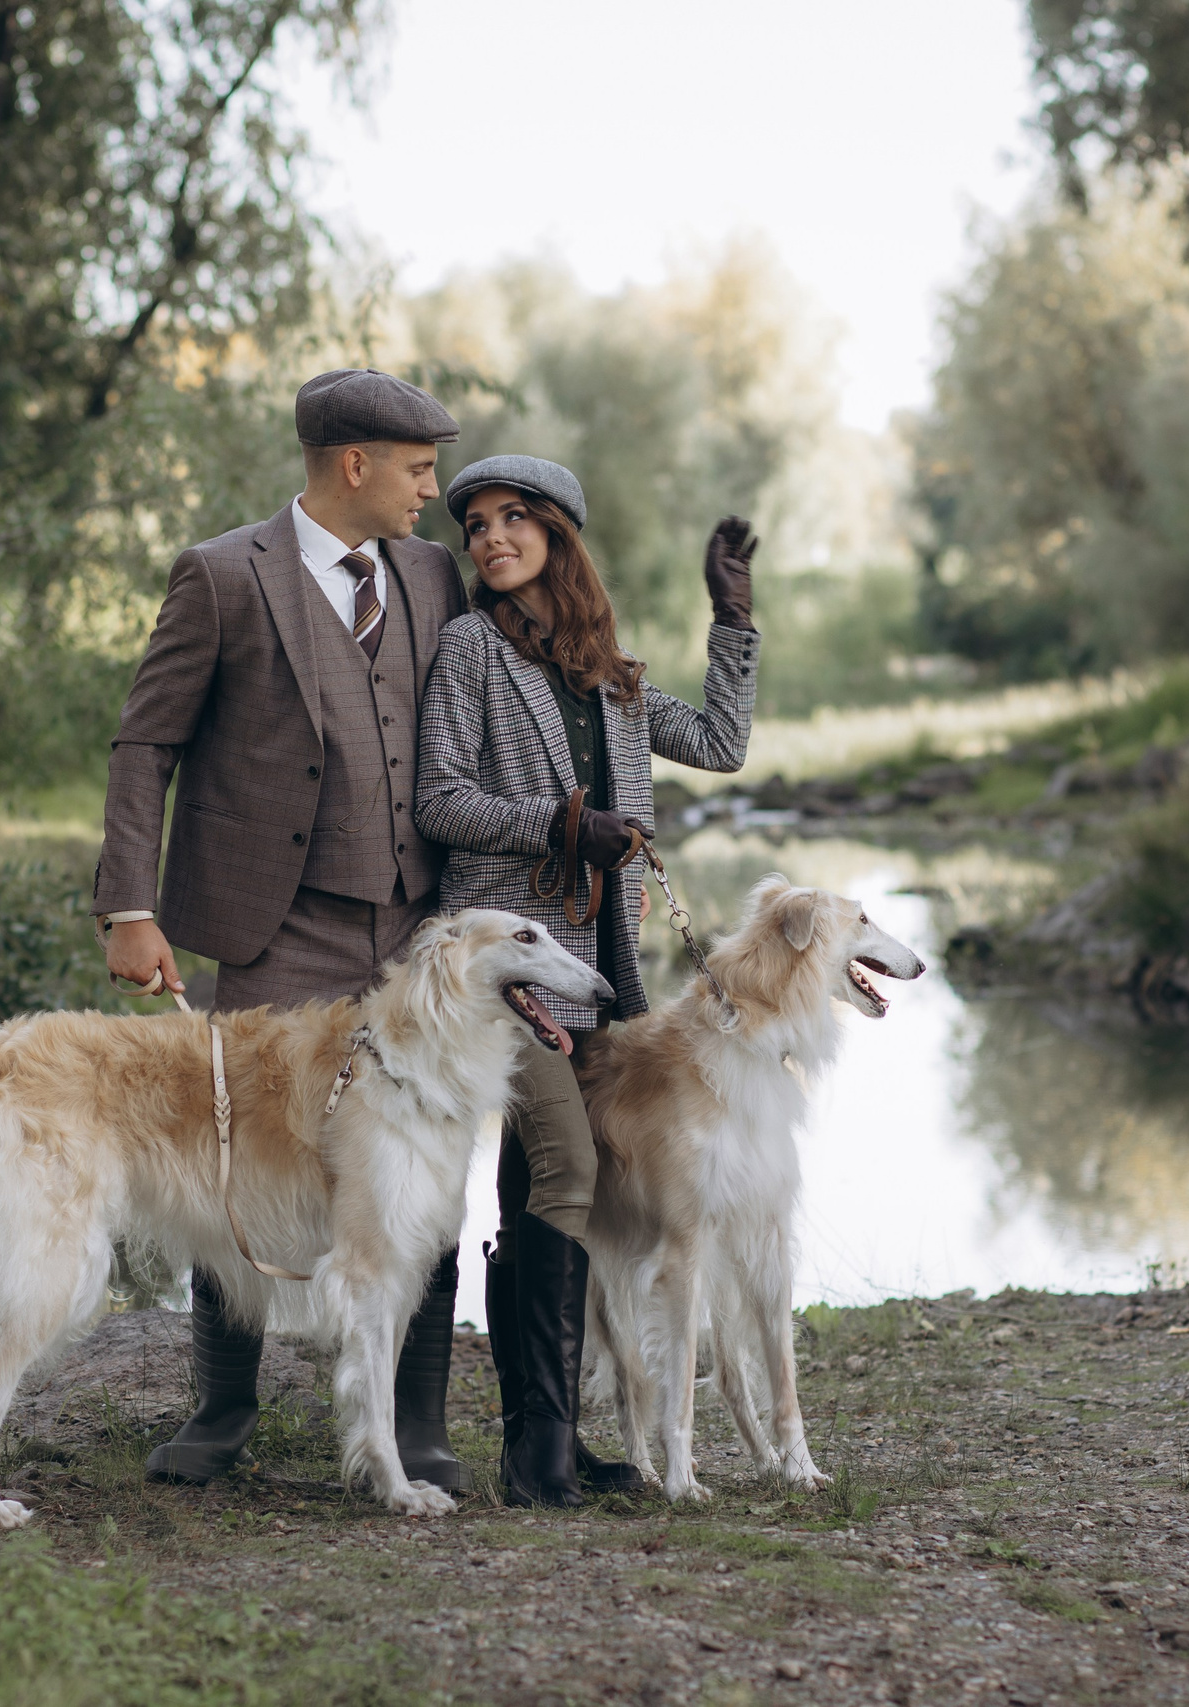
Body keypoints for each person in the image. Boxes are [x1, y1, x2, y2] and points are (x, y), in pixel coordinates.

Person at [92, 368, 476, 1491]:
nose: (431, 489)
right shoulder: (222, 576)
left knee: (427, 1162)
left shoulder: (432, 573)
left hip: (413, 930)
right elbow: (146, 744)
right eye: (418, 468)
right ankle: (221, 1409)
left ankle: (417, 1422)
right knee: (241, 1159)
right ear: (354, 464)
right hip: (272, 923)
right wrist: (130, 906)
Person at [414, 455, 759, 1506]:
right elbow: (440, 799)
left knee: (540, 1190)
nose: (490, 538)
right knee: (564, 1168)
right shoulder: (471, 649)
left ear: (559, 533)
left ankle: (541, 1442)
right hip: (505, 970)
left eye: (512, 518)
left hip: (601, 970)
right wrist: (562, 826)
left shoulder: (609, 674)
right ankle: (543, 1453)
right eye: (475, 524)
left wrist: (732, 620)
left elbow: (723, 745)